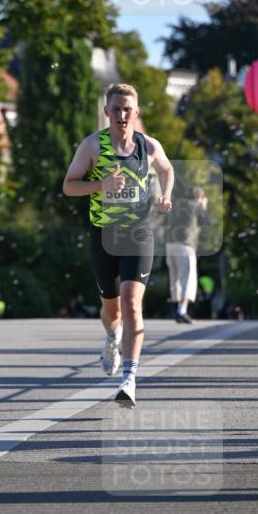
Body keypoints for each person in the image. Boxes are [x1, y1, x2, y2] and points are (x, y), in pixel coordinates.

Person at [62, 83, 174, 408]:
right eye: (116, 109)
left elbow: (167, 170)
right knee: (111, 309)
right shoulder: (92, 146)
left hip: (138, 233)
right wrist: (101, 184)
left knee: (132, 304)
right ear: (106, 111)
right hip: (103, 235)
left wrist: (165, 195)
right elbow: (69, 186)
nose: (122, 115)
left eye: (128, 109)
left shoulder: (149, 146)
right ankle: (112, 338)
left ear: (136, 112)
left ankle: (130, 378)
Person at [166, 185, 209, 323]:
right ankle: (182, 311)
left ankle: (175, 308)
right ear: (198, 197)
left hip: (170, 244)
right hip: (185, 245)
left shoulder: (176, 204)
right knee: (187, 278)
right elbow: (206, 221)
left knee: (175, 278)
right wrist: (203, 206)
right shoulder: (195, 205)